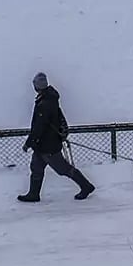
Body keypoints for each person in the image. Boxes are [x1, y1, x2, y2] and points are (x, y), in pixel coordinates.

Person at [17, 72, 95, 202]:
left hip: (48, 145)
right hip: (43, 144)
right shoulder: (47, 99)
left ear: (38, 86)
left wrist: (29, 143)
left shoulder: (45, 103)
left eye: (34, 84)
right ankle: (33, 194)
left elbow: (39, 127)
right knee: (36, 168)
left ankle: (86, 186)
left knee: (63, 169)